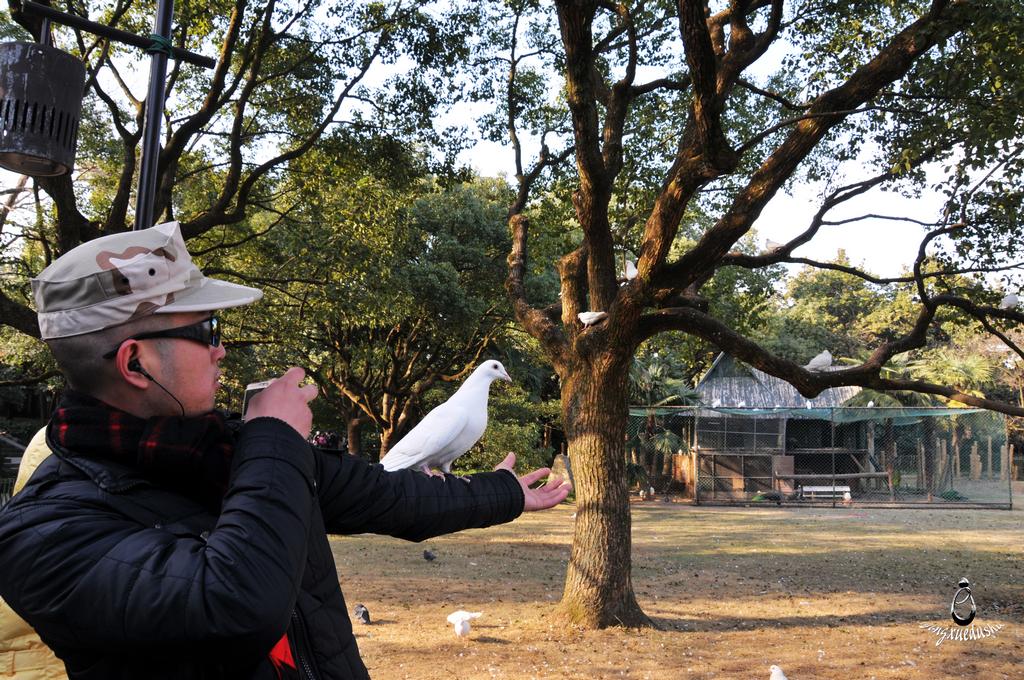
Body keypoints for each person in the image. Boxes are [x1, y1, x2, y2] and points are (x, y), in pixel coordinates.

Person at [0, 222, 570, 680]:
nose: (223, 351)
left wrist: (502, 493)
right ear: (135, 363)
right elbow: (236, 606)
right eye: (209, 330)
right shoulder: (44, 534)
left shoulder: (226, 451)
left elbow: (388, 495)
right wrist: (274, 436)